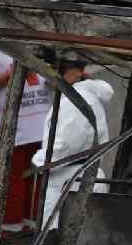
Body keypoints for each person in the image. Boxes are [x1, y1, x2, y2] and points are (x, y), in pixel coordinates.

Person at [32, 53, 112, 233]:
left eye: (54, 68)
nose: (49, 74)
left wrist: (38, 161)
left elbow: (67, 145)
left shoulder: (75, 99)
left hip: (72, 182)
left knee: (62, 243)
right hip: (75, 179)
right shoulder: (75, 96)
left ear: (76, 72)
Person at [0, 46, 53, 233]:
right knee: (11, 187)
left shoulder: (42, 45)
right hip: (13, 132)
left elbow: (56, 78)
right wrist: (12, 73)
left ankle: (33, 233)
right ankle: (7, 236)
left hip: (42, 130)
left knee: (38, 186)